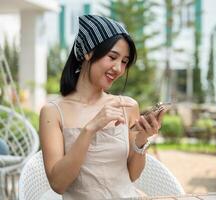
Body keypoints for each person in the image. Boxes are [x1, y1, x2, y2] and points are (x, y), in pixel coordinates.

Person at [39, 15, 163, 199]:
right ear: (88, 52)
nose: (118, 69)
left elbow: (132, 175)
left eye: (124, 61)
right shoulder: (53, 112)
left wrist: (141, 141)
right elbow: (58, 184)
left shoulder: (127, 107)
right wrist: (90, 128)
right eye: (112, 57)